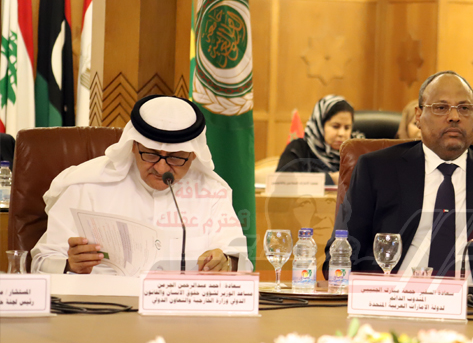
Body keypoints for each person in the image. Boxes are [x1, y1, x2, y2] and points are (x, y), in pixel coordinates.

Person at [324, 71, 473, 285]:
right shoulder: (377, 169)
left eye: (464, 108)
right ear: (418, 116)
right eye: (441, 108)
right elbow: (341, 253)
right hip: (394, 296)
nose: (454, 116)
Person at [31, 95, 250, 275]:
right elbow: (39, 261)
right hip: (104, 309)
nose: (162, 169)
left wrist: (226, 263)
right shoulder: (86, 186)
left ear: (193, 155)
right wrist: (69, 264)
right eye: (151, 155)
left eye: (175, 158)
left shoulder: (211, 193)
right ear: (134, 146)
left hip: (182, 310)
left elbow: (240, 263)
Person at [277, 95, 353, 185]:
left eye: (347, 128)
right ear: (319, 125)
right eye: (335, 126)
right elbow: (282, 182)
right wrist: (330, 179)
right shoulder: (299, 148)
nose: (341, 133)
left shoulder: (356, 153)